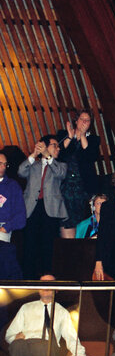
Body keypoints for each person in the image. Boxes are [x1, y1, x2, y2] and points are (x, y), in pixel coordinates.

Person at [5, 275, 91, 356]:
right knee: (17, 344)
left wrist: (80, 354)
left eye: (49, 284)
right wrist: (14, 338)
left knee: (42, 346)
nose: (45, 287)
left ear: (57, 289)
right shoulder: (26, 308)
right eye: (42, 284)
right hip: (26, 346)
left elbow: (71, 336)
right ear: (38, 288)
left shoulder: (62, 312)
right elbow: (9, 335)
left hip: (48, 348)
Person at [19, 135, 67, 279]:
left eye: (58, 146)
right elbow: (21, 171)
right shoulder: (34, 165)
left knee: (48, 246)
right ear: (45, 146)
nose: (58, 148)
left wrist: (48, 157)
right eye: (54, 145)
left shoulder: (60, 165)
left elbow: (60, 174)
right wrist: (35, 154)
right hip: (32, 208)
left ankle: (47, 279)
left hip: (50, 210)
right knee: (29, 245)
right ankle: (28, 279)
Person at [57, 109, 101, 238]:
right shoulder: (63, 134)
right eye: (82, 119)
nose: (84, 122)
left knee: (81, 219)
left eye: (87, 121)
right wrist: (71, 136)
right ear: (76, 121)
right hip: (65, 186)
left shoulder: (93, 139)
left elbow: (89, 156)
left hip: (82, 187)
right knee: (65, 219)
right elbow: (59, 154)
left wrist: (82, 135)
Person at [0, 151, 25, 279]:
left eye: (5, 164)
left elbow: (21, 217)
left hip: (3, 232)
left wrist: (6, 227)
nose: (3, 167)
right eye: (0, 164)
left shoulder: (12, 186)